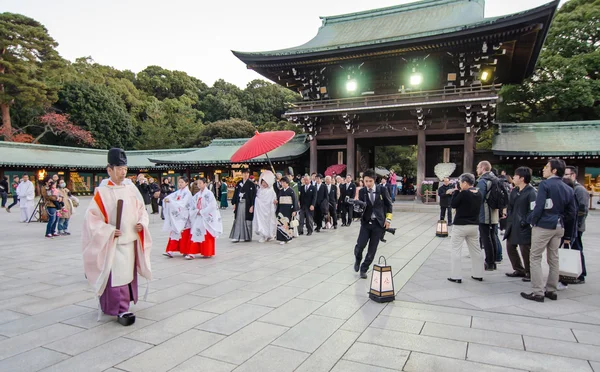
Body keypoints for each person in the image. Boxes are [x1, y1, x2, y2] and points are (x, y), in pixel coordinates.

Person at [82, 148, 152, 326]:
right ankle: (117, 308)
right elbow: (91, 219)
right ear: (109, 169)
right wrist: (109, 230)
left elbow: (142, 210)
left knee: (127, 275)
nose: (123, 172)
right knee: (116, 276)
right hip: (113, 242)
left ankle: (125, 304)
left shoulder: (131, 188)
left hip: (130, 239)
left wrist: (141, 223)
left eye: (125, 168)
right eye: (119, 168)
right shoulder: (102, 192)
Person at [521, 159, 576, 302]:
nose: (543, 169)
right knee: (553, 258)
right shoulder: (568, 188)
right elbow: (572, 212)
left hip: (544, 225)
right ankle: (551, 289)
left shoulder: (545, 184)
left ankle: (537, 291)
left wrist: (533, 221)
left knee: (535, 257)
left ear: (554, 170)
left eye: (546, 167)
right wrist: (560, 217)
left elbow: (538, 207)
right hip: (559, 225)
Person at [353, 169, 393, 278]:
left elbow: (389, 205)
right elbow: (361, 208)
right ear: (363, 181)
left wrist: (388, 220)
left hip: (378, 224)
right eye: (366, 181)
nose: (368, 184)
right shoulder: (362, 192)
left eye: (370, 181)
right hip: (366, 223)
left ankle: (364, 268)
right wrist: (357, 208)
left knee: (372, 250)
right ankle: (357, 259)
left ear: (374, 180)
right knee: (360, 245)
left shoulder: (382, 190)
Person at [447, 173, 484, 284]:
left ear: (465, 183)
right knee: (476, 250)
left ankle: (456, 275)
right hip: (474, 225)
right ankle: (478, 274)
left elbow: (453, 204)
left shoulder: (463, 194)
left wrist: (457, 191)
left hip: (460, 225)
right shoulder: (479, 194)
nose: (459, 184)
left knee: (456, 250)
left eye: (460, 182)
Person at [504, 167, 536, 281]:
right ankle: (519, 269)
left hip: (524, 225)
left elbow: (533, 210)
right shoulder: (515, 191)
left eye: (516, 175)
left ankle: (529, 272)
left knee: (525, 249)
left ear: (522, 178)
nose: (513, 177)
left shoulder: (531, 192)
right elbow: (510, 207)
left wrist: (525, 222)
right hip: (513, 223)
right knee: (510, 246)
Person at [564, 166, 589, 284]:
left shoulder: (580, 190)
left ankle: (581, 274)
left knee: (577, 250)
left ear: (573, 175)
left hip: (576, 227)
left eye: (566, 175)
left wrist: (576, 226)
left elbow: (582, 211)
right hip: (570, 226)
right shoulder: (570, 188)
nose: (563, 177)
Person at [189, 178, 223, 258]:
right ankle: (192, 252)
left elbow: (212, 206)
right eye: (198, 183)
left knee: (207, 235)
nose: (199, 185)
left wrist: (202, 211)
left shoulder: (209, 194)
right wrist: (196, 211)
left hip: (206, 217)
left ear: (205, 184)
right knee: (196, 233)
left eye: (200, 183)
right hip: (199, 216)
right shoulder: (197, 195)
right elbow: (192, 203)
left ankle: (207, 252)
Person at [476, 161, 500, 271]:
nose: (477, 169)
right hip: (494, 211)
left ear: (483, 168)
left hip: (485, 212)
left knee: (486, 237)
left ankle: (489, 262)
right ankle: (494, 260)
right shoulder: (495, 179)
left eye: (478, 167)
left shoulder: (483, 180)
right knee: (493, 236)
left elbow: (479, 197)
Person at [162, 176, 193, 258]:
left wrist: (171, 201)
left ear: (186, 183)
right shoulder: (178, 192)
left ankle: (185, 250)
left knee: (184, 233)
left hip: (184, 216)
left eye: (182, 182)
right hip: (177, 215)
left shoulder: (187, 193)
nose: (180, 184)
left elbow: (182, 203)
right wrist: (167, 199)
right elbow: (171, 197)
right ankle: (170, 250)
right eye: (179, 182)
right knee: (174, 232)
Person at [230, 168, 257, 242]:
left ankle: (247, 236)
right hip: (239, 203)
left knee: (247, 220)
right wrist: (234, 203)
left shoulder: (251, 184)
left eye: (247, 173)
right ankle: (236, 236)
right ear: (242, 174)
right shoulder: (239, 183)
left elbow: (253, 195)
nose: (246, 175)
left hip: (247, 204)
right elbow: (235, 194)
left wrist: (252, 205)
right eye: (244, 173)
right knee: (238, 219)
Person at [253, 171, 278, 242]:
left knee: (269, 222)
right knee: (262, 222)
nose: (264, 184)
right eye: (262, 182)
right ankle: (263, 235)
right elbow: (257, 198)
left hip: (269, 209)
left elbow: (274, 199)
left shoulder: (271, 191)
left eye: (265, 182)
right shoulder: (259, 191)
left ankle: (270, 235)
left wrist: (274, 202)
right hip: (261, 210)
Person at [276, 177, 298, 244]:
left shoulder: (291, 191)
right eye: (281, 182)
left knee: (287, 224)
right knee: (281, 224)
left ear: (287, 183)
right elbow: (278, 199)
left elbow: (295, 201)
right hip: (281, 209)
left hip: (288, 209)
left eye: (283, 182)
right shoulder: (281, 191)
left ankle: (288, 237)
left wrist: (294, 210)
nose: (282, 184)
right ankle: (282, 238)